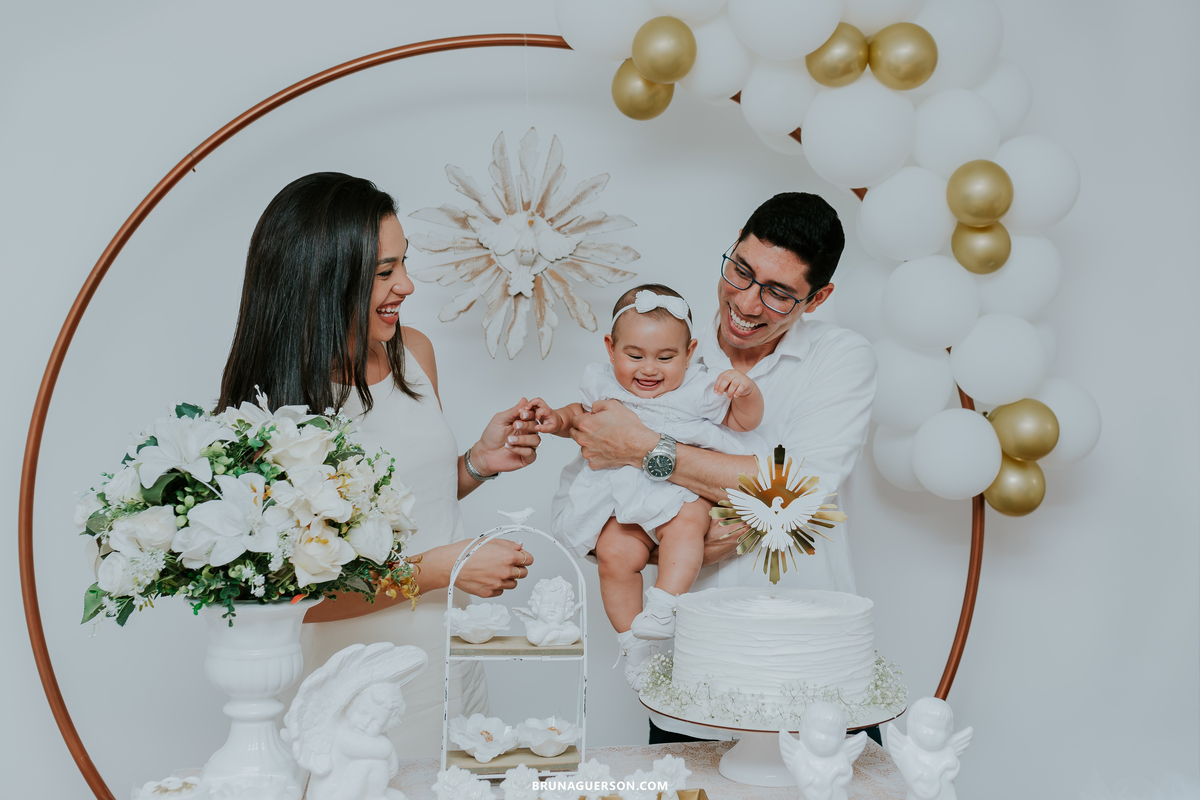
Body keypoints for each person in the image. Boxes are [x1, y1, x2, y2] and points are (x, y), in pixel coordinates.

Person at [217, 172, 542, 756]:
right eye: (384, 273)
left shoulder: (413, 352)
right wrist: (444, 568)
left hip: (453, 650)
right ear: (323, 282)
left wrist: (475, 463)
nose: (407, 286)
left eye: (403, 264)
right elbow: (296, 602)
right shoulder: (273, 418)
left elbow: (403, 506)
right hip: (356, 684)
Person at [564, 193, 878, 742]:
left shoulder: (840, 359)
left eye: (780, 294)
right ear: (733, 247)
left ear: (819, 297)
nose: (749, 304)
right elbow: (591, 479)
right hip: (692, 666)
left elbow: (797, 490)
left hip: (807, 655)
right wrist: (668, 533)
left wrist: (641, 447)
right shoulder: (663, 345)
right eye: (741, 271)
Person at [524, 284, 763, 690]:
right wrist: (556, 420)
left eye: (666, 357)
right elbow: (581, 416)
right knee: (615, 553)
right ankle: (631, 642)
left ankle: (665, 603)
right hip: (619, 494)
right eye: (634, 356)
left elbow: (744, 423)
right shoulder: (603, 384)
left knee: (687, 526)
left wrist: (746, 392)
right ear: (610, 349)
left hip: (678, 490)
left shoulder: (701, 388)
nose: (649, 369)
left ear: (689, 353)